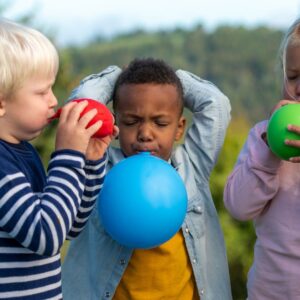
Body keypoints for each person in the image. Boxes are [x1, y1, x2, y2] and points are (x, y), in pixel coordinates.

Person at [62, 58, 232, 300]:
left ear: (179, 128)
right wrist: (118, 76)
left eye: (160, 123)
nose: (145, 133)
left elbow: (216, 104)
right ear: (116, 123)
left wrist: (173, 79)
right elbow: (82, 106)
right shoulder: (99, 166)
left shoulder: (192, 165)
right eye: (131, 122)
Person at [0, 19, 117, 299]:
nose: (54, 101)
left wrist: (88, 162)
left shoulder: (25, 152)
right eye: (41, 92)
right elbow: (47, 235)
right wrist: (67, 155)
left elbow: (69, 225)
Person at [224, 18, 300, 300]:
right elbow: (238, 207)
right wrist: (268, 155)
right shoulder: (263, 136)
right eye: (293, 76)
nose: (299, 87)